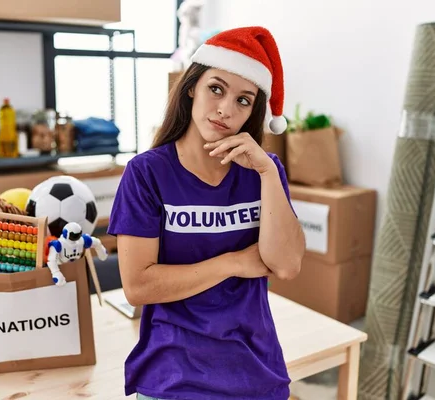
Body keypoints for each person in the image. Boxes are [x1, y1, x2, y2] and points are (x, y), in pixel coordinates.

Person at [107, 26, 306, 400]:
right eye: (216, 88)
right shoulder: (147, 173)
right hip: (173, 374)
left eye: (244, 100)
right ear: (192, 88)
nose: (226, 110)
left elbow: (287, 265)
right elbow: (137, 286)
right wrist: (233, 263)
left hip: (256, 368)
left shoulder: (265, 171)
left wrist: (265, 172)